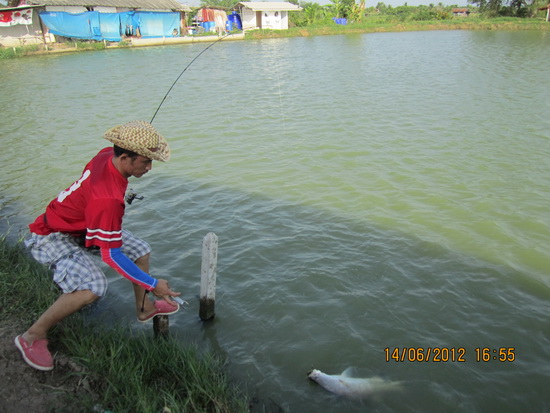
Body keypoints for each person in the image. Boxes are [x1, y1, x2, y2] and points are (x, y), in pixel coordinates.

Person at [14, 120, 182, 371]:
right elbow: (111, 256)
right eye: (145, 161)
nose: (149, 167)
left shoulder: (106, 155)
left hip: (84, 225)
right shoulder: (108, 200)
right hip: (53, 233)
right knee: (93, 286)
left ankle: (144, 309)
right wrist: (154, 284)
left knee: (141, 250)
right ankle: (32, 336)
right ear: (125, 157)